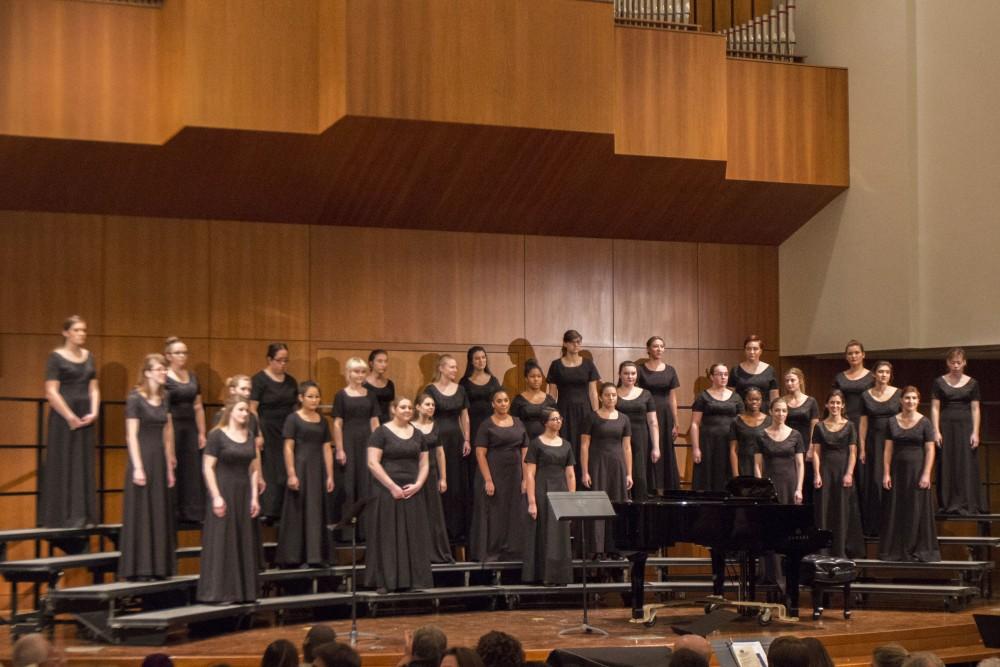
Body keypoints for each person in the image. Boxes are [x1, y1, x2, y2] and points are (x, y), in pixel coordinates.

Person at [366, 397, 433, 592]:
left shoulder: (418, 434)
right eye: (403, 407)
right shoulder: (381, 432)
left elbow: (424, 463)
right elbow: (372, 463)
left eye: (410, 407)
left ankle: (413, 580)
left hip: (413, 490)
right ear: (393, 409)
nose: (407, 410)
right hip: (388, 491)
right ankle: (388, 580)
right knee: (389, 535)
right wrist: (392, 486)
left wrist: (419, 484)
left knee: (413, 534)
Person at [197, 396, 260, 604]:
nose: (245, 414)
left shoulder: (250, 435)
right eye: (241, 410)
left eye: (247, 411)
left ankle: (242, 592)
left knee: (242, 540)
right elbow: (208, 467)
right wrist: (216, 496)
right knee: (222, 540)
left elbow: (252, 468)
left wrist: (254, 498)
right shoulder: (217, 436)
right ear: (230, 411)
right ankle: (218, 592)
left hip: (243, 493)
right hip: (224, 489)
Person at [119, 353, 176, 580]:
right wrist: (138, 467)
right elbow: (131, 436)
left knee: (159, 511)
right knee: (142, 512)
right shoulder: (135, 399)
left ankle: (159, 567)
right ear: (148, 372)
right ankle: (140, 568)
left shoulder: (165, 397)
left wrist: (170, 466)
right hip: (142, 458)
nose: (164, 372)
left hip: (159, 459)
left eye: (164, 368)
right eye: (159, 368)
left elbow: (166, 433)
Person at [41, 314, 99, 528]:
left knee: (82, 463)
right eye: (77, 330)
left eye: (84, 330)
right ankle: (62, 516)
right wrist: (69, 416)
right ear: (66, 333)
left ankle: (83, 516)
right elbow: (51, 392)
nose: (82, 334)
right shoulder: (56, 357)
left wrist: (93, 411)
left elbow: (94, 388)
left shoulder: (89, 356)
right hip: (64, 417)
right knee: (65, 461)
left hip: (85, 415)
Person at [276, 381, 335, 567]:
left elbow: (327, 448)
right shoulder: (293, 419)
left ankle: (316, 556)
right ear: (301, 398)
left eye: (317, 396)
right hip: (301, 467)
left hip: (317, 469)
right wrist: (291, 473)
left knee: (316, 511)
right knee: (298, 510)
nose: (314, 400)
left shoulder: (323, 420)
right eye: (310, 396)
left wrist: (330, 475)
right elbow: (288, 448)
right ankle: (294, 556)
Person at [880, 386, 941, 562]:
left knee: (917, 509)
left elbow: (930, 450)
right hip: (897, 472)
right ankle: (897, 550)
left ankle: (917, 548)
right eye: (907, 398)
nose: (910, 401)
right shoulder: (891, 421)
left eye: (914, 398)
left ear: (918, 400)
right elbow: (888, 450)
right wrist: (886, 473)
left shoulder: (925, 422)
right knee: (897, 508)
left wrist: (926, 474)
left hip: (917, 472)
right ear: (901, 400)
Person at [470, 390, 529, 562]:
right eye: (499, 401)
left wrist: (525, 478)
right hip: (494, 473)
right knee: (495, 512)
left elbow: (525, 452)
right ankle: (492, 553)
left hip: (515, 474)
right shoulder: (486, 425)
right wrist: (488, 479)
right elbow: (480, 454)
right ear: (492, 404)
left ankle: (512, 552)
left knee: (514, 512)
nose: (503, 403)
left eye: (505, 400)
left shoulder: (518, 422)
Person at [522, 408, 576, 585]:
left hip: (560, 490)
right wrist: (532, 502)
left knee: (559, 533)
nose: (558, 421)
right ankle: (541, 575)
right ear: (545, 422)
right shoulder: (536, 444)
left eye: (559, 418)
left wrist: (571, 500)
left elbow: (570, 475)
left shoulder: (566, 445)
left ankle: (559, 575)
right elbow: (530, 473)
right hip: (542, 490)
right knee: (544, 532)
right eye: (553, 419)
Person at [580, 382, 632, 556]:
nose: (611, 398)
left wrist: (629, 473)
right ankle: (597, 549)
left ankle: (615, 548)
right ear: (601, 397)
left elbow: (627, 448)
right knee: (597, 505)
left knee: (617, 504)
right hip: (597, 465)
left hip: (617, 466)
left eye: (614, 395)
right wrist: (585, 471)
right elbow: (584, 445)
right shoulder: (592, 417)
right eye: (607, 395)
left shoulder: (624, 419)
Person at [424, 354, 471, 543]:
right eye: (451, 367)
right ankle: (438, 526)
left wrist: (467, 439)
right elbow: (426, 415)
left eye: (456, 367)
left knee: (456, 482)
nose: (455, 370)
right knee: (439, 480)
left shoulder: (460, 390)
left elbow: (465, 417)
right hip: (437, 437)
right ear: (441, 368)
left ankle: (456, 527)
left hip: (456, 439)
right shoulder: (430, 389)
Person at [331, 358, 380, 540]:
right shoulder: (341, 395)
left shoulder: (371, 395)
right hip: (349, 443)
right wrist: (340, 449)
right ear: (348, 373)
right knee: (349, 485)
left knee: (366, 484)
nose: (360, 375)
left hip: (367, 443)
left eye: (362, 371)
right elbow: (337, 424)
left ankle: (366, 531)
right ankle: (347, 533)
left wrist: (378, 446)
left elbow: (374, 422)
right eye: (356, 371)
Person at [812, 391, 864, 558]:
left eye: (837, 403)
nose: (834, 406)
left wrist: (849, 473)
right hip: (825, 471)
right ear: (826, 405)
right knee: (824, 510)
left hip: (843, 471)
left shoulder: (850, 426)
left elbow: (853, 453)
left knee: (842, 510)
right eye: (831, 403)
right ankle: (823, 551)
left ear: (842, 406)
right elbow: (816, 453)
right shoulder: (819, 426)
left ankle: (840, 550)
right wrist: (817, 474)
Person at [250, 343, 299, 522]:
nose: (283, 364)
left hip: (285, 428)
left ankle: (283, 508)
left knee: (285, 467)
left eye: (286, 361)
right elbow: (253, 409)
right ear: (269, 359)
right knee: (270, 468)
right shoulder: (259, 380)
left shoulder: (291, 381)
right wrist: (258, 433)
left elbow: (295, 408)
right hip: (267, 428)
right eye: (279, 360)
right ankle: (269, 510)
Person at [931, 348, 984, 514]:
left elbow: (975, 409)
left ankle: (967, 502)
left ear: (964, 363)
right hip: (946, 426)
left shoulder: (973, 383)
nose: (955, 366)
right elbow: (934, 408)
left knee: (965, 462)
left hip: (965, 427)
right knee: (947, 460)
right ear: (947, 363)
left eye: (958, 363)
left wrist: (975, 432)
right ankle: (947, 503)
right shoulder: (939, 382)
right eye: (952, 362)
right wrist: (936, 430)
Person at [164, 336, 207, 525]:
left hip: (190, 427)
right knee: (174, 466)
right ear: (168, 356)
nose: (182, 356)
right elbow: (165, 411)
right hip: (172, 426)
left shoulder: (193, 377)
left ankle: (191, 511)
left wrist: (202, 432)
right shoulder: (164, 377)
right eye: (177, 352)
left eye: (184, 352)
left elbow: (198, 406)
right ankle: (173, 511)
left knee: (191, 468)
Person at [546, 329, 600, 473]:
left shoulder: (588, 364)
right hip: (563, 409)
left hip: (584, 410)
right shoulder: (556, 365)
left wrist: (596, 415)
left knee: (584, 443)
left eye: (578, 342)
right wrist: (552, 416)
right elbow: (552, 394)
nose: (576, 345)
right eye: (573, 342)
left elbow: (593, 392)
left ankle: (585, 478)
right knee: (565, 442)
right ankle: (567, 478)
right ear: (565, 343)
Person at [858, 361, 902, 537]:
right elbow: (863, 424)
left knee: (893, 482)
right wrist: (862, 447)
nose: (884, 375)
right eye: (880, 372)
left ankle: (894, 525)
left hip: (894, 441)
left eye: (887, 372)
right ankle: (876, 526)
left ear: (890, 375)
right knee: (875, 483)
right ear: (874, 374)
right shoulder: (865, 395)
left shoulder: (899, 393)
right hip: (874, 443)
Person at [411, 393, 453, 563]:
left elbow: (440, 453)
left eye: (433, 405)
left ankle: (434, 551)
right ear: (418, 407)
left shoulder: (436, 426)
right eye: (427, 404)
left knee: (433, 512)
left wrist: (443, 478)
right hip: (414, 473)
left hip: (432, 473)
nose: (431, 407)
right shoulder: (410, 426)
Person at [637, 336, 681, 494]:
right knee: (648, 447)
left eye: (662, 346)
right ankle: (648, 487)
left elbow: (672, 397)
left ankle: (665, 489)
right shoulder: (640, 369)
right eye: (655, 346)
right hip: (645, 414)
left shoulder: (670, 370)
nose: (659, 349)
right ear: (648, 349)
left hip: (665, 415)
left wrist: (675, 422)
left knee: (665, 449)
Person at [690, 364, 744, 492]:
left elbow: (742, 424)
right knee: (707, 477)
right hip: (708, 443)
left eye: (725, 374)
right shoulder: (702, 396)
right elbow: (694, 424)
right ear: (711, 377)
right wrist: (696, 448)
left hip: (730, 444)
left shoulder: (736, 397)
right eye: (720, 374)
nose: (723, 377)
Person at [616, 361, 659, 499]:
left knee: (640, 473)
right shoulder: (613, 394)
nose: (630, 376)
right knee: (620, 471)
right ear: (620, 375)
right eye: (626, 373)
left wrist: (656, 447)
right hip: (618, 438)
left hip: (641, 438)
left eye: (633, 373)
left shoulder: (646, 394)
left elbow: (653, 422)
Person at [755, 398, 805, 505]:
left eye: (784, 410)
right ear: (770, 412)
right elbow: (757, 465)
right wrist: (760, 488)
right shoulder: (761, 435)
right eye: (777, 410)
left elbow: (800, 464)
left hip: (790, 485)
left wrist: (799, 489)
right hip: (769, 485)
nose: (781, 413)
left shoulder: (796, 435)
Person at [783, 368, 819, 504]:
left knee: (805, 481)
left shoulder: (811, 401)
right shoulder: (782, 401)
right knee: (790, 478)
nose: (790, 383)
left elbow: (814, 426)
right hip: (787, 445)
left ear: (800, 381)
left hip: (804, 445)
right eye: (787, 381)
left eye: (792, 380)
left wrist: (811, 448)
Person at [729, 335, 780, 413]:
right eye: (748, 349)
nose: (751, 352)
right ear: (745, 350)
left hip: (765, 415)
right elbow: (730, 397)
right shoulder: (735, 370)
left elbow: (774, 398)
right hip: (742, 414)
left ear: (761, 351)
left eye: (755, 349)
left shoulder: (770, 370)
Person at [832, 340, 874, 429]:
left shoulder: (872, 377)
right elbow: (834, 400)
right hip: (843, 420)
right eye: (850, 354)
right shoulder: (839, 377)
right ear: (846, 357)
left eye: (857, 353)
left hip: (865, 421)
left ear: (863, 355)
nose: (853, 356)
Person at [510, 359, 557, 440]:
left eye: (539, 376)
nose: (536, 379)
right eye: (532, 376)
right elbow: (513, 425)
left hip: (547, 442)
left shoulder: (550, 400)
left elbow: (555, 423)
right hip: (524, 442)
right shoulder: (518, 400)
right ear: (526, 379)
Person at [729, 387, 770, 477]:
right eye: (751, 399)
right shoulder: (736, 421)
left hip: (764, 466)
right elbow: (733, 450)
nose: (754, 402)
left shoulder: (769, 421)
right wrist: (736, 475)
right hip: (743, 465)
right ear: (745, 400)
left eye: (757, 399)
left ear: (761, 400)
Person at [363, 349, 395, 424]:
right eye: (380, 361)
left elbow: (392, 406)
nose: (384, 364)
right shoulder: (363, 384)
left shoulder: (390, 384)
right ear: (371, 363)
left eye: (386, 361)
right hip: (368, 423)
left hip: (386, 423)